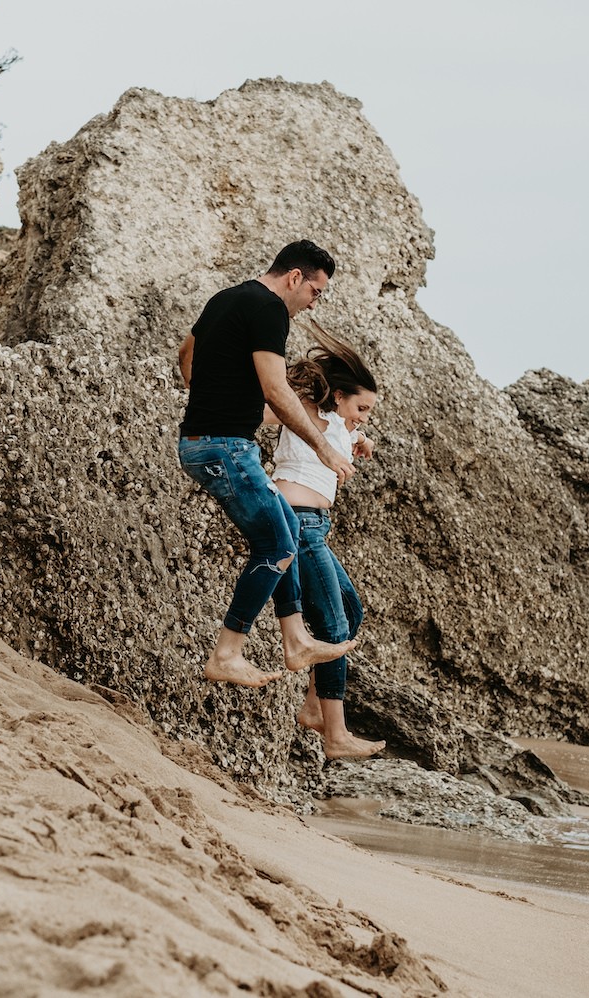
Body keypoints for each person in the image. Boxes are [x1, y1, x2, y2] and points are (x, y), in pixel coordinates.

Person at [177, 240, 358, 688]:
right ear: (295, 278)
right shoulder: (270, 309)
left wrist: (213, 398)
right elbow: (277, 391)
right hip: (226, 449)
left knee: (287, 536)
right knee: (277, 545)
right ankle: (227, 652)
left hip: (209, 441)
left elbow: (186, 355)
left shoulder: (226, 298)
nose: (313, 302)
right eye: (316, 291)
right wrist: (325, 450)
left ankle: (295, 639)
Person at [268, 320, 386, 759]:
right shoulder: (304, 411)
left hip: (316, 526)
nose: (363, 416)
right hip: (296, 522)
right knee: (334, 627)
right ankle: (336, 737)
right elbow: (273, 405)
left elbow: (348, 432)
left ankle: (315, 706)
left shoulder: (339, 424)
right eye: (363, 407)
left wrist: (363, 438)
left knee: (351, 610)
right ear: (338, 395)